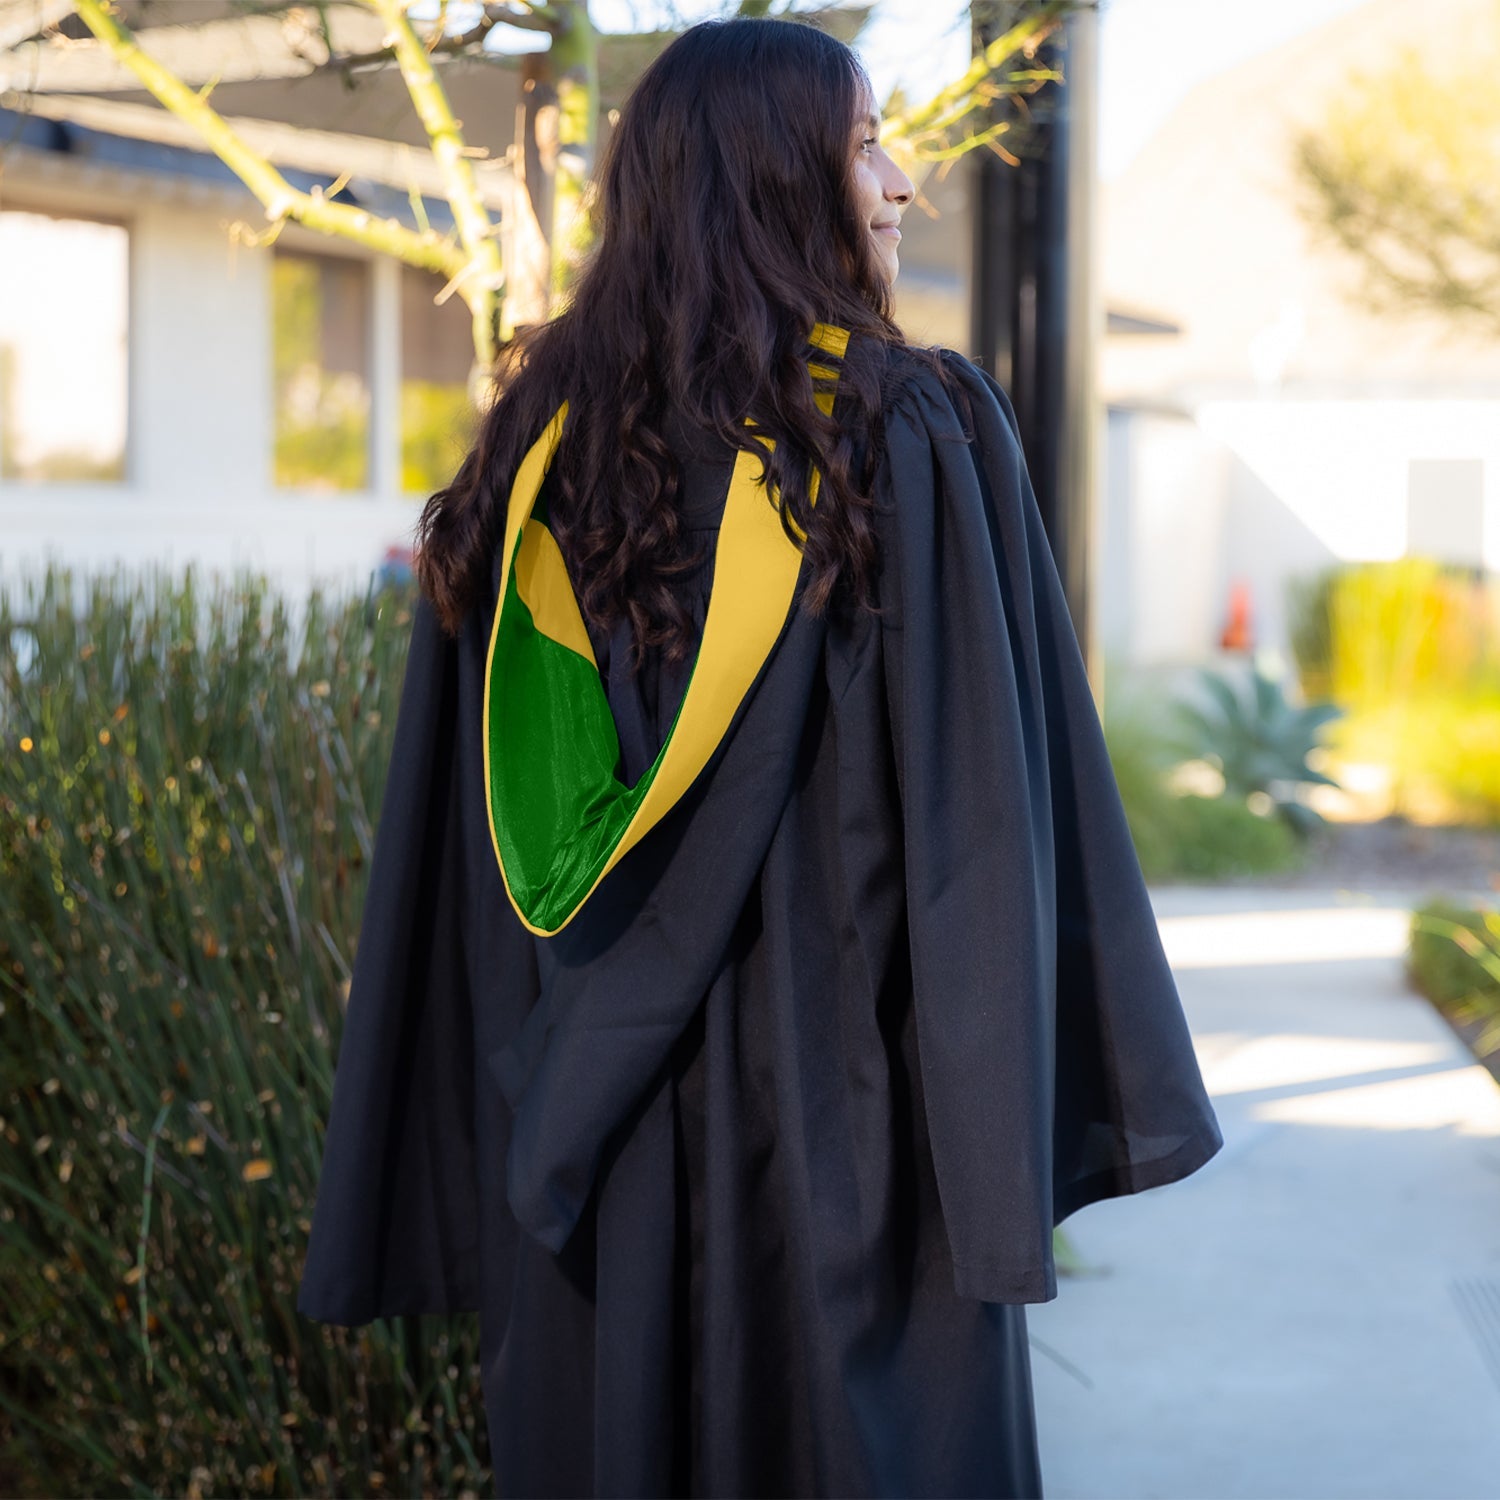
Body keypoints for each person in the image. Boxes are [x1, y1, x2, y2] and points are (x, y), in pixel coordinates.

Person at [296, 16, 1224, 1500]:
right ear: (772, 179)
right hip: (844, 1152)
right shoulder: (904, 431)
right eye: (864, 143)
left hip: (588, 1149)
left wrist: (511, 1129)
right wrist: (993, 1176)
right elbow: (984, 831)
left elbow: (472, 876)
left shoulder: (531, 459)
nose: (902, 182)